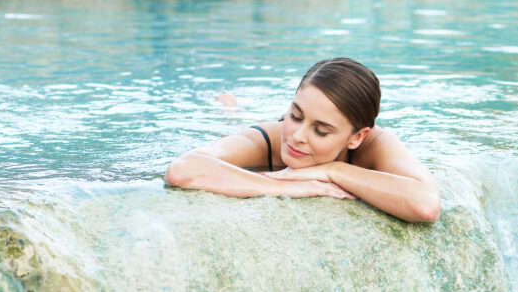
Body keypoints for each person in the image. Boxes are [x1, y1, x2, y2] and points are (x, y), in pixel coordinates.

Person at [164, 58, 440, 223]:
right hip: (256, 132)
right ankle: (231, 110)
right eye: (296, 115)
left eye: (321, 131)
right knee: (235, 121)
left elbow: (426, 205)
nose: (297, 136)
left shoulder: (376, 146)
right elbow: (182, 170)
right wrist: (280, 186)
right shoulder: (271, 138)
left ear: (357, 137)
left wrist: (333, 170)